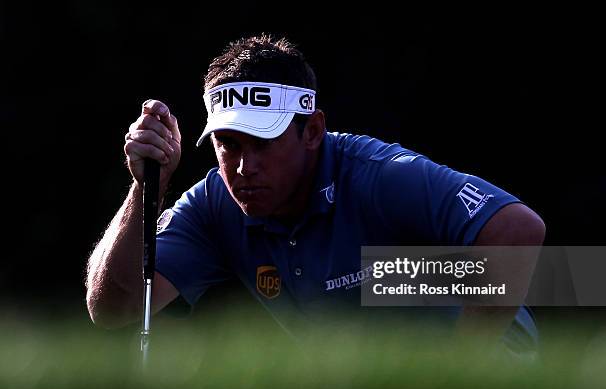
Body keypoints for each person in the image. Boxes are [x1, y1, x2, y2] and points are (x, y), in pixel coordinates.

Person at [86, 34, 545, 353]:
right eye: (229, 145)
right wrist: (148, 188)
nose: (245, 167)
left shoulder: (378, 176)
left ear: (313, 131)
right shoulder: (214, 204)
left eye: (263, 142)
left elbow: (518, 230)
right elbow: (113, 308)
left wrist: (454, 379)